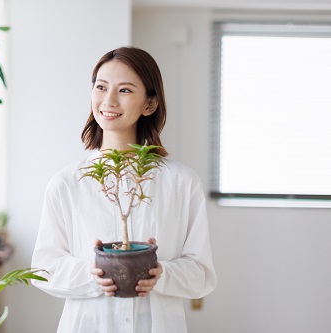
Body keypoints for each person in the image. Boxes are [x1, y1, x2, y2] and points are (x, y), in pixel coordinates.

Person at [31, 46, 217, 333]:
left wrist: (162, 273)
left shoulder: (181, 182)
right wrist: (91, 272)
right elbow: (43, 270)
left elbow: (202, 274)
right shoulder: (66, 184)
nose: (109, 100)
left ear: (150, 104)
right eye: (101, 87)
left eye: (125, 90)